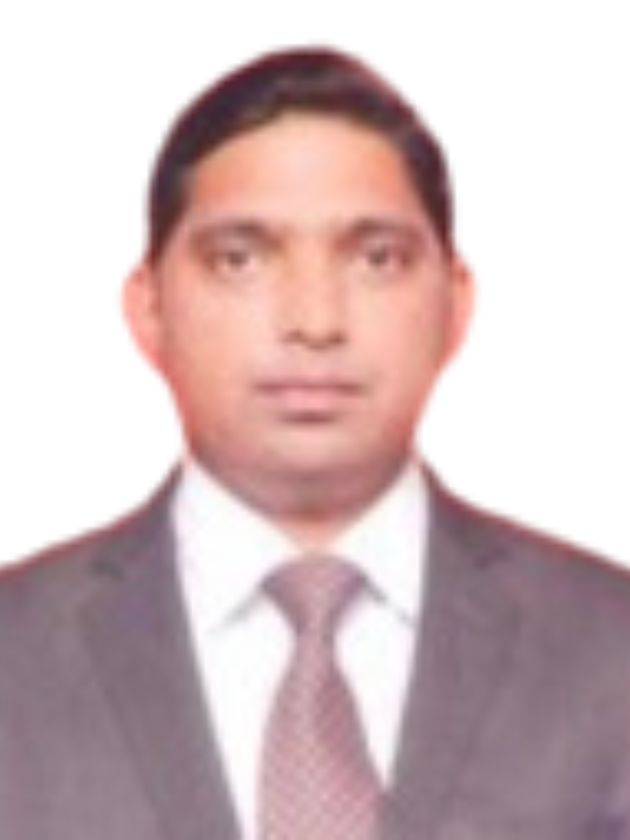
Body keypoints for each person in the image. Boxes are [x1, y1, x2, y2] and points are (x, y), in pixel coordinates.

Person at [1, 46, 630, 840]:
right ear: (149, 307)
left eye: (377, 259)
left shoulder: (610, 649)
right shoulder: (16, 653)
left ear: (456, 302)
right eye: (239, 260)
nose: (314, 320)